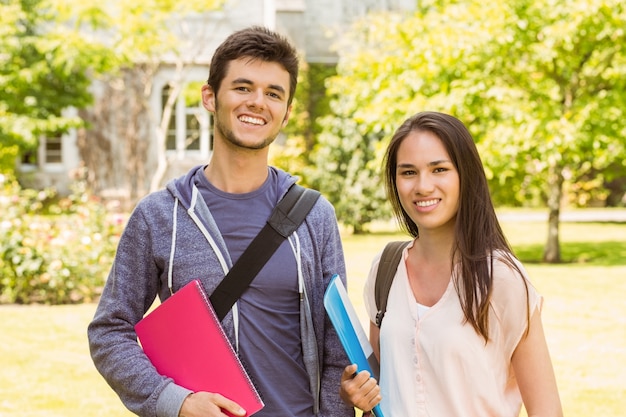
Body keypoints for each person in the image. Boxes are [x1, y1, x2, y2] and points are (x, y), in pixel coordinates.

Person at [88, 26, 354, 417]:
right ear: (210, 97)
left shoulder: (315, 214)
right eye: (243, 88)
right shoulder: (160, 216)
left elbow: (337, 349)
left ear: (287, 111)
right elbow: (109, 330)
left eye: (273, 93)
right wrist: (175, 402)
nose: (257, 102)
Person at [339, 111, 563, 416]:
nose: (423, 186)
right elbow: (379, 389)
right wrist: (358, 392)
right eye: (408, 172)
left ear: (465, 175)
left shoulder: (502, 279)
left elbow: (547, 410)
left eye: (439, 169)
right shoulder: (386, 269)